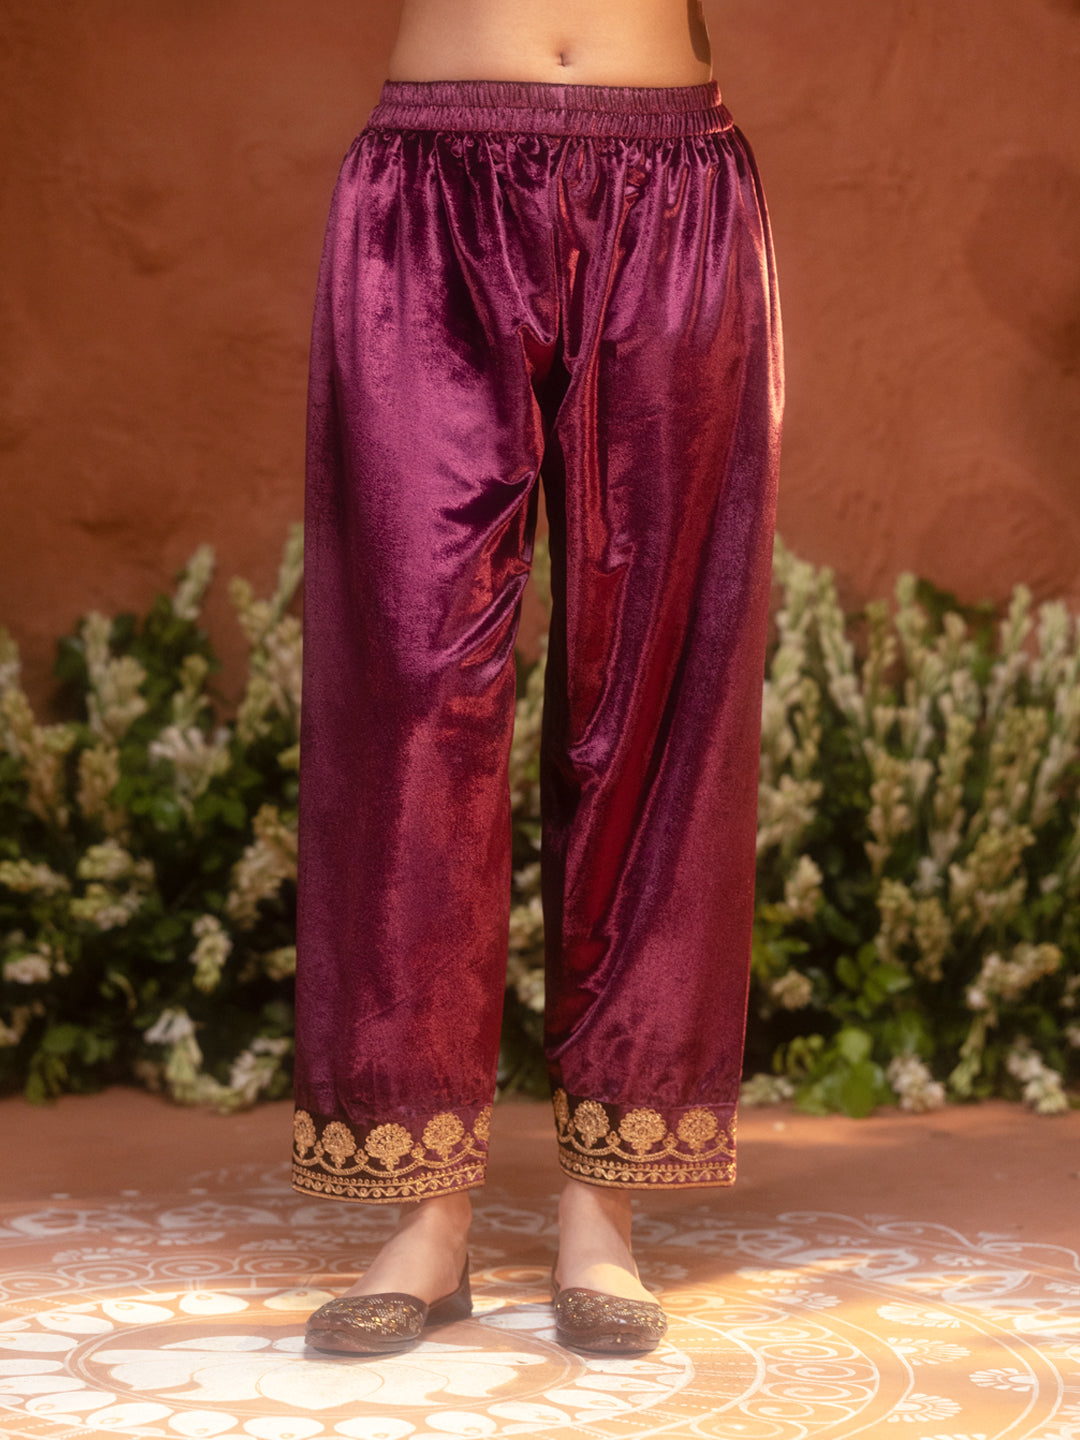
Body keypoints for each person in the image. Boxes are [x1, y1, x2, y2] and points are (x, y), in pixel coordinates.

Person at [291, 0, 783, 1355]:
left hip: (671, 183)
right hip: (431, 191)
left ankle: (603, 1210)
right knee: (406, 683)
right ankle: (423, 1211)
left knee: (655, 684)